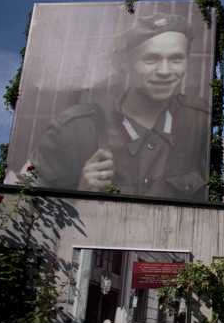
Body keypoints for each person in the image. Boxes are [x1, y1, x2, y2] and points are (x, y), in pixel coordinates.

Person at [31, 13, 209, 200]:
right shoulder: (74, 128)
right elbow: (16, 206)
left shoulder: (202, 122)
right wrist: (78, 195)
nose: (165, 71)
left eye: (176, 59)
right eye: (151, 59)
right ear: (125, 63)